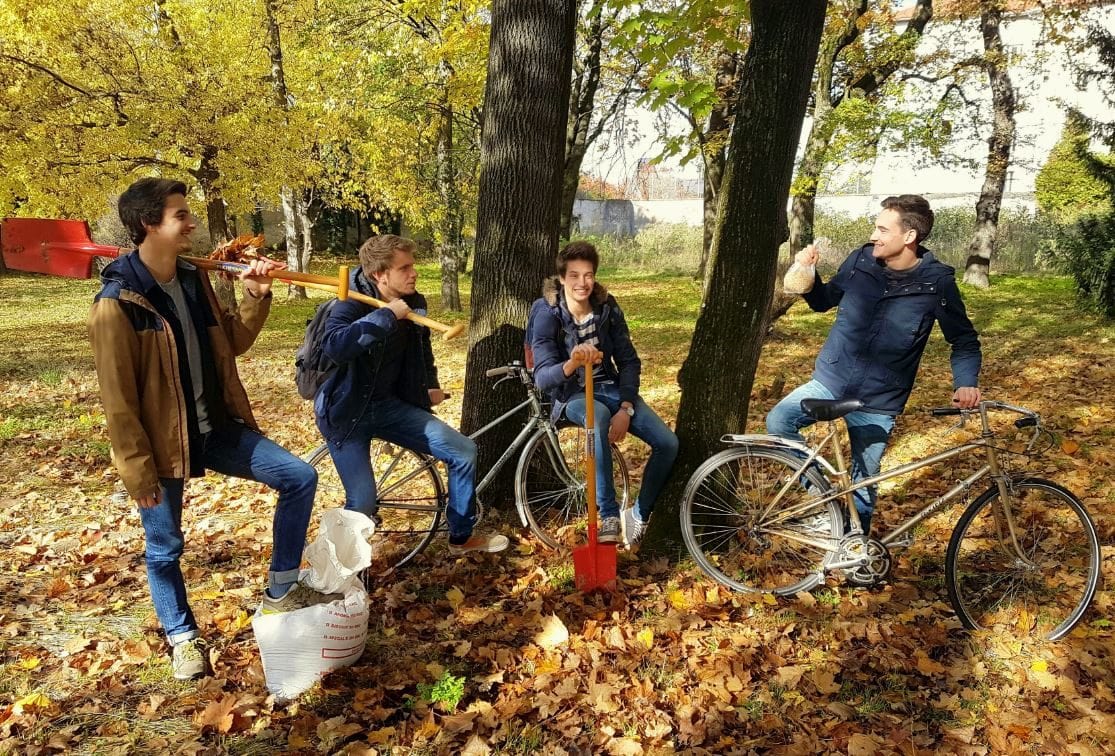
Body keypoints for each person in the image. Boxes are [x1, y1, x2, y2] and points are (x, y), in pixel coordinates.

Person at [89, 178, 331, 681]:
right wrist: (139, 474)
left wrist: (256, 295)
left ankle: (282, 587)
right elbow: (119, 403)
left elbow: (232, 344)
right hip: (161, 446)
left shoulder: (194, 280)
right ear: (146, 225)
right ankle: (182, 637)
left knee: (298, 477)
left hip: (216, 429)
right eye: (180, 215)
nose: (191, 223)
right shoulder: (118, 304)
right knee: (165, 548)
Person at [767, 194, 982, 536]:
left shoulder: (936, 283)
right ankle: (826, 507)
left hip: (879, 399)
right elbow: (823, 302)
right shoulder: (860, 262)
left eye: (882, 229)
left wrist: (965, 382)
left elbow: (964, 339)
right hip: (832, 380)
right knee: (779, 421)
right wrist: (807, 273)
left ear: (909, 237)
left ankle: (855, 552)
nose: (874, 235)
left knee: (864, 480)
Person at [315, 234, 508, 555]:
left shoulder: (415, 302)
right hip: (345, 411)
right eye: (404, 268)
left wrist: (428, 384)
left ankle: (461, 536)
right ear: (380, 275)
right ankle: (343, 571)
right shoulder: (348, 300)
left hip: (389, 407)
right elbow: (335, 346)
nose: (413, 273)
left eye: (412, 266)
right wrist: (385, 316)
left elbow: (422, 350)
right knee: (362, 501)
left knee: (463, 451)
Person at [529, 241, 679, 548]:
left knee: (668, 443)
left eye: (588, 275)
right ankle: (608, 513)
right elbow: (543, 377)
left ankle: (637, 514)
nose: (582, 283)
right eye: (574, 275)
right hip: (570, 395)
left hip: (611, 389)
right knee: (596, 417)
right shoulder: (546, 312)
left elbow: (628, 361)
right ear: (562, 278)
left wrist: (626, 407)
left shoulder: (607, 308)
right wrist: (571, 362)